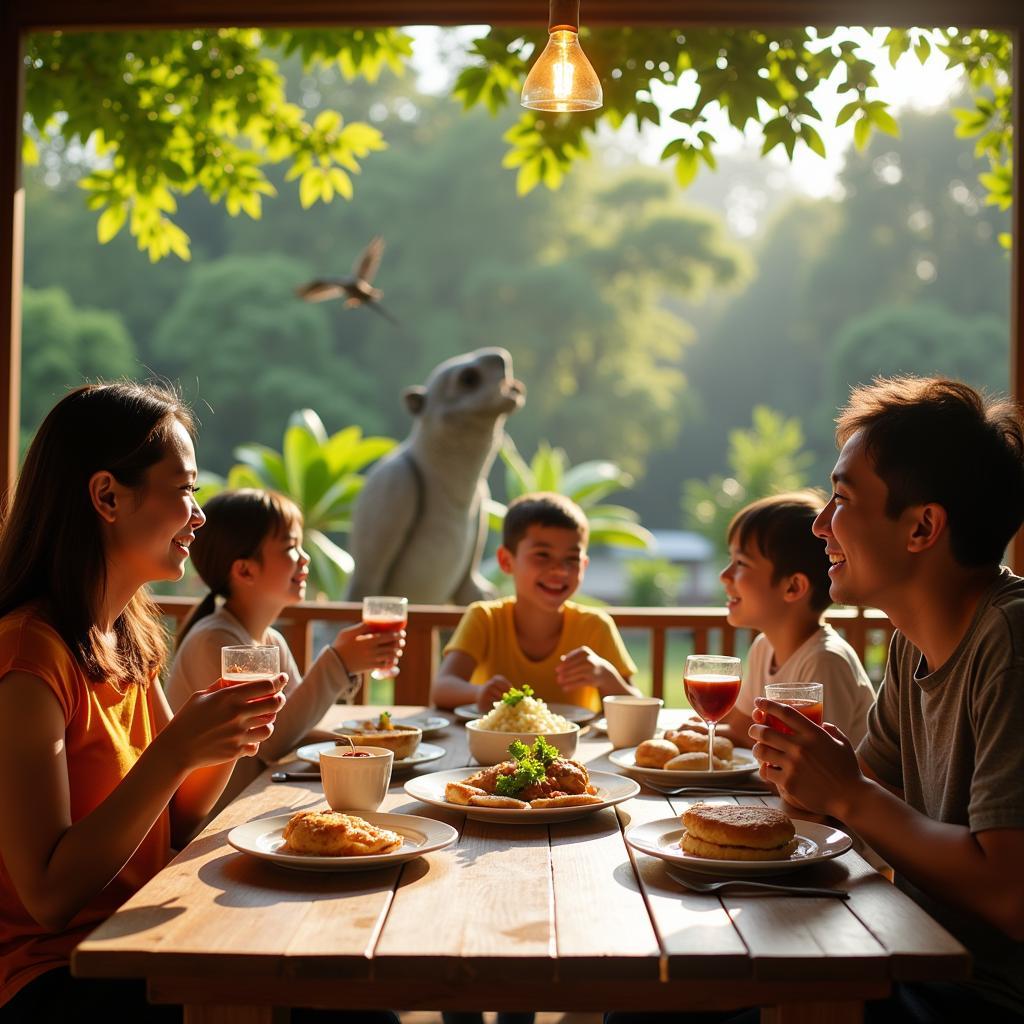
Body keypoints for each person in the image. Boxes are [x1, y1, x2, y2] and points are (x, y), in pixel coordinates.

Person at [0, 383, 286, 1019]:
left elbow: (176, 823)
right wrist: (177, 749)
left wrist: (222, 740)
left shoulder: (127, 635)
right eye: (184, 489)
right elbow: (48, 896)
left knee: (337, 988)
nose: (199, 514)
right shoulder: (29, 655)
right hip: (56, 969)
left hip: (146, 934)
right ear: (107, 495)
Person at [751, 377, 1024, 1020]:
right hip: (910, 951)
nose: (819, 525)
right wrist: (808, 775)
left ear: (923, 527)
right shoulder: (912, 639)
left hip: (981, 997)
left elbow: (1010, 894)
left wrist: (846, 792)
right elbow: (870, 785)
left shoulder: (1009, 642)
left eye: (841, 498)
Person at [167, 489, 405, 809]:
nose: (305, 558)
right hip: (208, 823)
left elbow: (295, 727)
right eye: (291, 547)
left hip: (250, 805)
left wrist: (372, 746)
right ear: (245, 570)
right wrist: (338, 663)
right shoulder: (214, 641)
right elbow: (272, 742)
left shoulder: (271, 640)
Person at [432, 492, 639, 714]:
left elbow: (637, 706)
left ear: (584, 565)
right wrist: (478, 692)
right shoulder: (485, 619)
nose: (560, 570)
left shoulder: (595, 626)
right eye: (542, 555)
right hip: (497, 746)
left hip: (576, 747)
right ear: (506, 561)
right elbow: (442, 689)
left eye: (571, 559)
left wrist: (606, 677)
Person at [717, 491, 875, 747]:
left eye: (741, 563)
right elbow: (740, 731)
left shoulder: (824, 661)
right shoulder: (764, 647)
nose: (725, 575)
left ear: (793, 587)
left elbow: (816, 764)